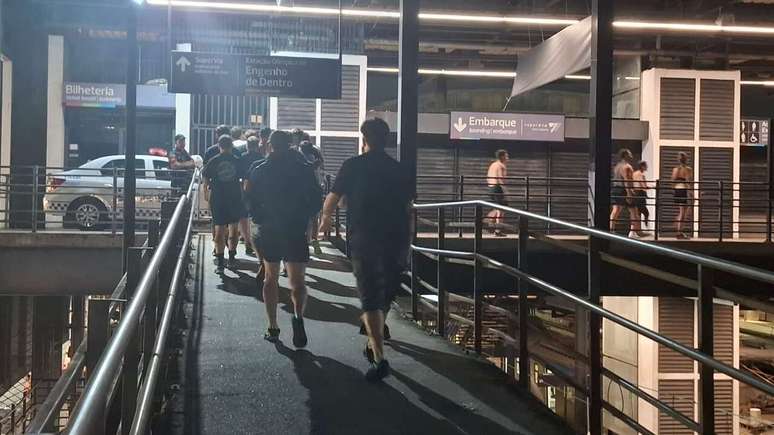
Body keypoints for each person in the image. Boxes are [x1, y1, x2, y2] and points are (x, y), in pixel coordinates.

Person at [319, 118, 412, 382]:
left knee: (370, 294)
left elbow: (333, 197)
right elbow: (408, 208)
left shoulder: (352, 165)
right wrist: (408, 240)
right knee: (386, 292)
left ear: (364, 139)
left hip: (364, 237)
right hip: (396, 239)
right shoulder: (399, 169)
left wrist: (325, 219)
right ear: (386, 140)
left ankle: (379, 356)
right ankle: (374, 337)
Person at [246, 130, 322, 347]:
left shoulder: (259, 170)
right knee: (297, 281)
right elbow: (317, 198)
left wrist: (259, 216)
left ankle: (273, 326)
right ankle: (298, 318)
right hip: (295, 229)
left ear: (270, 145)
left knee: (270, 278)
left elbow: (249, 198)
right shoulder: (303, 170)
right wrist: (305, 216)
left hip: (269, 228)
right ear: (290, 146)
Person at [202, 135, 246, 273]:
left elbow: (205, 177)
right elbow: (244, 179)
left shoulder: (214, 161)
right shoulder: (237, 160)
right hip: (234, 198)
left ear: (219, 146)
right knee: (234, 230)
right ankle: (232, 258)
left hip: (218, 199)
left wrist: (207, 192)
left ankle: (221, 264)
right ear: (231, 146)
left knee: (219, 231)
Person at [610, 149, 643, 238]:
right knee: (634, 211)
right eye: (629, 154)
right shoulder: (627, 167)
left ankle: (611, 230)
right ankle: (632, 232)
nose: (631, 155)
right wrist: (629, 193)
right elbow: (627, 180)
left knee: (615, 210)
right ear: (625, 155)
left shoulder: (617, 166)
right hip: (624, 190)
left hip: (616, 189)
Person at [299, 139, 325, 254]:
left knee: (302, 218)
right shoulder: (316, 160)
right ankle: (314, 240)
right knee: (314, 218)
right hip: (315, 191)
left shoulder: (299, 160)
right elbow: (319, 178)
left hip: (303, 193)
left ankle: (303, 241)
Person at [486, 150, 509, 237]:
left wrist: (491, 186)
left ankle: (488, 223)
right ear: (502, 156)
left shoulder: (493, 164)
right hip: (497, 188)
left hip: (491, 188)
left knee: (499, 208)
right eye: (506, 156)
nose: (508, 158)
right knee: (501, 209)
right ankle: (497, 230)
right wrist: (505, 190)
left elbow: (488, 177)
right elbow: (500, 178)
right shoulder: (500, 165)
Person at [672, 152, 694, 239]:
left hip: (677, 190)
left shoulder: (675, 169)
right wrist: (691, 193)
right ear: (686, 159)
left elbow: (672, 181)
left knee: (682, 211)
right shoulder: (688, 169)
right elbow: (688, 182)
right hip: (684, 190)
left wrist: (674, 190)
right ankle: (679, 232)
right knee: (683, 212)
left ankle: (678, 228)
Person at [632, 160, 650, 232]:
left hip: (635, 193)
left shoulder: (634, 173)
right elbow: (643, 185)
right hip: (640, 194)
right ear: (642, 166)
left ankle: (637, 230)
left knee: (638, 212)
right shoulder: (640, 174)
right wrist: (649, 187)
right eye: (646, 165)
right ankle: (639, 229)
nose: (647, 167)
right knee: (645, 212)